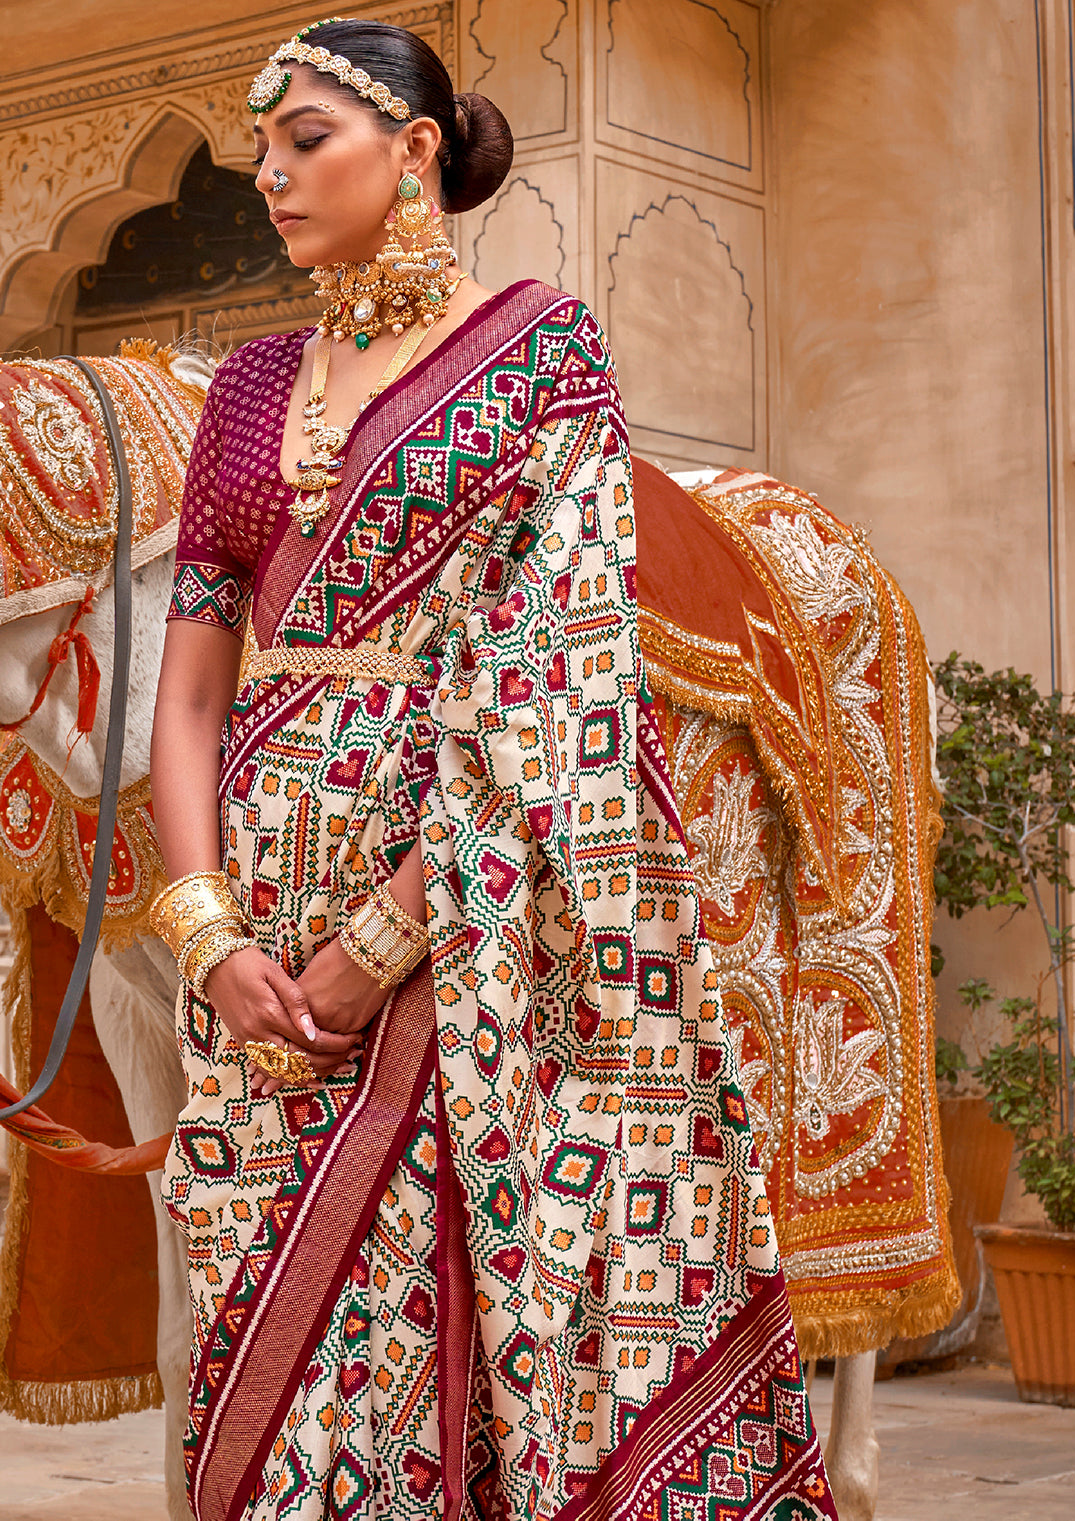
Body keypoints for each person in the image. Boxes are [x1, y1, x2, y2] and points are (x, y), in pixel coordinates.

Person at [150, 16, 838, 1521]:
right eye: (259, 146)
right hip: (256, 945)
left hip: (471, 921)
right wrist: (209, 932)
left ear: (415, 154)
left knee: (448, 1301)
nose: (268, 174)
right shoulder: (253, 392)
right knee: (258, 1331)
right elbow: (192, 690)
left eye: (307, 140)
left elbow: (556, 688)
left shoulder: (541, 353)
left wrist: (380, 940)